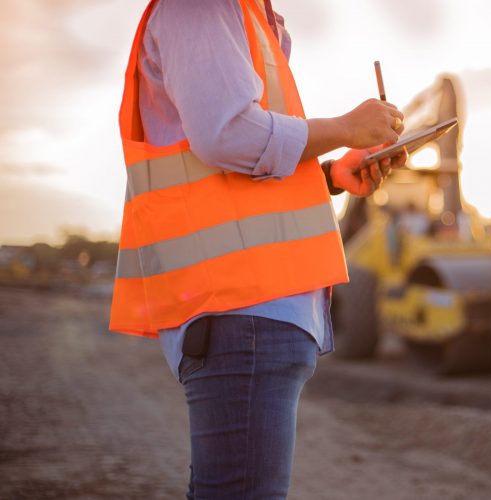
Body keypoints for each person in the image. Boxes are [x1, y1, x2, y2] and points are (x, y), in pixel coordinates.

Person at [108, 0, 407, 498]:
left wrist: (332, 174)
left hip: (250, 312)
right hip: (241, 310)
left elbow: (237, 163)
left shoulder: (245, 16)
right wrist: (347, 127)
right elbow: (227, 134)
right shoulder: (203, 7)